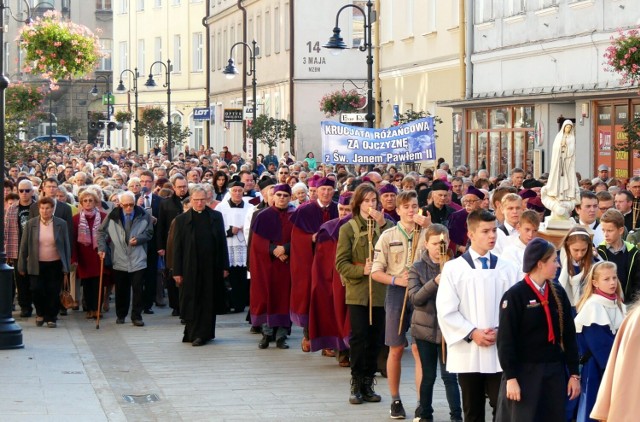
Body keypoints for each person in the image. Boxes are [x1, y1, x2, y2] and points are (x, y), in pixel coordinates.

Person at [436, 209, 519, 421]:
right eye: (485, 231)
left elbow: (515, 309)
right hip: (468, 349)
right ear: (471, 234)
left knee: (501, 406)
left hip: (498, 347)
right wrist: (472, 333)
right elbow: (446, 309)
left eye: (494, 230)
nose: (492, 236)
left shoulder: (507, 268)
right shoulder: (454, 269)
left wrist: (502, 331)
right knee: (472, 409)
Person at [495, 238, 580, 421]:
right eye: (554, 261)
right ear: (540, 264)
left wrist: (574, 373)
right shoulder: (515, 295)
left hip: (554, 371)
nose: (557, 265)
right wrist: (511, 377)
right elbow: (505, 340)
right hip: (525, 373)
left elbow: (569, 335)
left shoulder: (558, 292)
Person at [372, 190, 428, 419]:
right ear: (397, 210)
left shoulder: (428, 233)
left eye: (414, 206)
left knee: (419, 349)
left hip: (423, 291)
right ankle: (395, 399)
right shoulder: (388, 235)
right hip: (396, 291)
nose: (411, 211)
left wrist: (430, 226)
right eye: (406, 207)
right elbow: (376, 272)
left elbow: (445, 255)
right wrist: (396, 280)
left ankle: (421, 401)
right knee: (395, 347)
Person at [335, 184, 392, 405]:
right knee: (359, 337)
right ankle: (356, 383)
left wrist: (383, 224)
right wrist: (362, 270)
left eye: (373, 201)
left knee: (376, 338)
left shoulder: (386, 227)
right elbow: (341, 262)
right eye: (366, 201)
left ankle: (369, 382)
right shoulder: (347, 228)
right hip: (359, 291)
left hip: (380, 290)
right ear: (358, 204)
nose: (371, 205)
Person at [408, 224, 462, 422]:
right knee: (428, 375)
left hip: (448, 330)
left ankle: (456, 416)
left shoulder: (455, 264)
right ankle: (425, 414)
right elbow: (415, 299)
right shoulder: (417, 267)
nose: (440, 247)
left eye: (444, 242)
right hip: (425, 328)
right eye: (435, 243)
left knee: (450, 377)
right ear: (426, 244)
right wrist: (436, 282)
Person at [172, 185, 229, 346]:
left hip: (211, 267)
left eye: (202, 200)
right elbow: (177, 247)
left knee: (208, 299)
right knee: (192, 299)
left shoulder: (216, 217)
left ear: (207, 200)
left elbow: (222, 243)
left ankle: (204, 333)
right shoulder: (181, 220)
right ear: (190, 200)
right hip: (189, 267)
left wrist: (225, 266)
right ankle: (192, 332)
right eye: (196, 200)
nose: (199, 203)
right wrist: (177, 271)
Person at [289, 177, 338, 352]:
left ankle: (328, 343)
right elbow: (296, 237)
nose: (326, 193)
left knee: (331, 301)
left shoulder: (338, 209)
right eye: (323, 190)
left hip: (332, 263)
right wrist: (310, 238)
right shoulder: (305, 210)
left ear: (334, 191)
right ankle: (309, 334)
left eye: (329, 190)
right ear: (316, 191)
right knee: (312, 298)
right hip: (310, 262)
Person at [574, 261, 626, 422]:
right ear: (595, 283)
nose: (612, 282)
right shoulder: (593, 307)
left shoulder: (618, 304)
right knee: (594, 410)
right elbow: (601, 345)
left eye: (614, 278)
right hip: (598, 369)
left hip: (616, 365)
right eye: (606, 279)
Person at [98, 191, 153, 327]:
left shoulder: (144, 215)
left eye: (131, 205)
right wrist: (102, 248)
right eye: (126, 205)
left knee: (138, 289)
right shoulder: (113, 216)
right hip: (119, 257)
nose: (129, 208)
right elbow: (101, 232)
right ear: (120, 204)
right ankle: (121, 314)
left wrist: (139, 239)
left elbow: (149, 232)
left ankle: (136, 316)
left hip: (138, 257)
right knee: (122, 289)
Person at [249, 184, 295, 350]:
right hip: (268, 265)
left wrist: (286, 249)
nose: (282, 198)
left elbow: (299, 239)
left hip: (287, 265)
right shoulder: (264, 215)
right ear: (273, 197)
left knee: (284, 299)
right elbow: (257, 242)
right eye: (279, 195)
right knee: (267, 298)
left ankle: (282, 336)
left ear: (290, 198)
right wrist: (274, 250)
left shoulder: (295, 215)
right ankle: (267, 334)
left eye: (285, 196)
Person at [18, 197, 71, 328]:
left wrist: (66, 266)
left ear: (52, 209)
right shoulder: (31, 224)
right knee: (36, 289)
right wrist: (21, 265)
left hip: (55, 263)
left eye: (47, 208)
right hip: (36, 263)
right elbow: (24, 246)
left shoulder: (61, 224)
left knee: (52, 291)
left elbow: (66, 246)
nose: (45, 211)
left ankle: (51, 317)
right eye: (42, 208)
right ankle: (40, 313)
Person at [215, 180, 254, 313]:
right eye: (234, 191)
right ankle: (228, 303)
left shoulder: (249, 207)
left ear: (243, 192)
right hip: (228, 245)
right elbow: (216, 227)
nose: (237, 193)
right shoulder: (221, 207)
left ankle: (240, 304)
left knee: (242, 277)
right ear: (230, 192)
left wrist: (246, 228)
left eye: (240, 191)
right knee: (228, 276)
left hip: (244, 246)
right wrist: (230, 230)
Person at [157, 174, 189, 317]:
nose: (182, 189)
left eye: (184, 186)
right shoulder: (166, 203)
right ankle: (175, 305)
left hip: (189, 243)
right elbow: (161, 226)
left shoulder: (192, 200)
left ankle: (186, 304)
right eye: (179, 187)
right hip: (171, 244)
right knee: (172, 274)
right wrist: (160, 246)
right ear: (174, 188)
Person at [71, 189, 107, 319]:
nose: (88, 203)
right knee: (86, 284)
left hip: (98, 254)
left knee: (98, 283)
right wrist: (74, 258)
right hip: (83, 256)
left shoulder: (103, 217)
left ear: (96, 202)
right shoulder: (75, 219)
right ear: (81, 203)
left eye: (90, 200)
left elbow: (108, 236)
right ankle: (89, 308)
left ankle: (97, 309)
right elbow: (73, 240)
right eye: (85, 201)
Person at [5, 179, 36, 317]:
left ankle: (37, 305)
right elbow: (7, 230)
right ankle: (25, 307)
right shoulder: (12, 209)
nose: (24, 193)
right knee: (21, 280)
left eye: (27, 190)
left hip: (36, 249)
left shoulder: (38, 207)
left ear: (32, 191)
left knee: (35, 281)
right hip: (17, 248)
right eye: (21, 191)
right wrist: (8, 252)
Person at [596, 209, 640, 304]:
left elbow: (637, 283)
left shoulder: (634, 253)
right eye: (603, 230)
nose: (605, 234)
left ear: (620, 230)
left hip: (628, 305)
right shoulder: (599, 252)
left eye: (610, 230)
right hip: (604, 303)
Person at [542, 120, 581, 220]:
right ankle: (557, 193)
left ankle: (566, 194)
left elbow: (572, 150)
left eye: (569, 127)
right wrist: (560, 147)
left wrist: (567, 149)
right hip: (559, 161)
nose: (568, 129)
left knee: (567, 178)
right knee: (558, 177)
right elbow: (555, 148)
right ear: (563, 128)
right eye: (566, 127)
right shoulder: (559, 137)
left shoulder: (572, 137)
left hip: (568, 162)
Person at [558, 227, 597, 309]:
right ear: (567, 247)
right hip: (564, 306)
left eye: (584, 250)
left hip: (586, 307)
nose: (580, 254)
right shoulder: (558, 263)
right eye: (576, 250)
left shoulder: (593, 264)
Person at [500, 210, 540, 280]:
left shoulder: (541, 250)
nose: (530, 235)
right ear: (518, 228)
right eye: (527, 230)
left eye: (534, 231)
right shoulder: (509, 252)